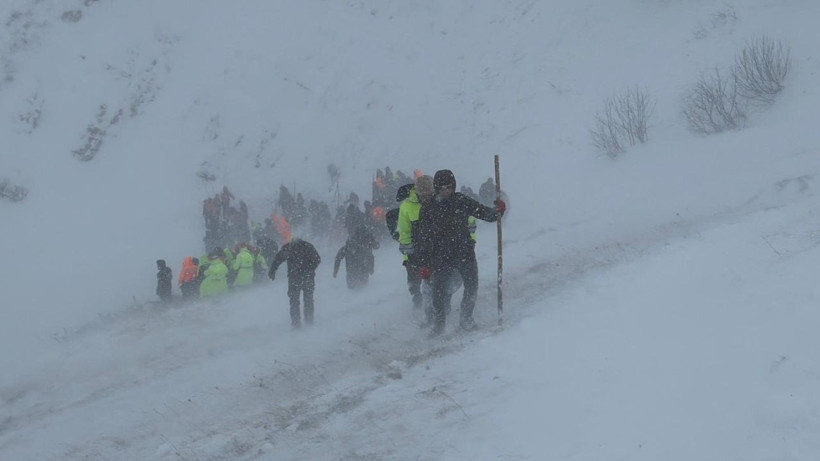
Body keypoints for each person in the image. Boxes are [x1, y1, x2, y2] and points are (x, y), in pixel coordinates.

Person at [416, 169, 506, 336]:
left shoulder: (461, 201)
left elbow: (483, 213)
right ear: (436, 188)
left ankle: (466, 318)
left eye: (449, 187)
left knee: (471, 286)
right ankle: (439, 324)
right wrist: (424, 263)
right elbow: (423, 239)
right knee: (439, 291)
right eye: (442, 188)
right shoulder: (429, 208)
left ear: (453, 186)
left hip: (464, 253)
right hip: (441, 256)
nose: (446, 191)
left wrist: (497, 211)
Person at [397, 175, 435, 311]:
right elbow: (405, 234)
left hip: (434, 249)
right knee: (414, 281)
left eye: (428, 195)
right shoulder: (406, 207)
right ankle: (417, 300)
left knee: (433, 281)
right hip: (416, 251)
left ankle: (434, 308)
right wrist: (407, 260)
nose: (425, 198)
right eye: (422, 195)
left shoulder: (438, 202)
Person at [268, 238, 321, 328]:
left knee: (294, 301)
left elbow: (278, 259)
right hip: (308, 277)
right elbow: (317, 259)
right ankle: (309, 320)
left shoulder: (289, 247)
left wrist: (272, 271)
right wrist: (310, 269)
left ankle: (296, 323)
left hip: (294, 277)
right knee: (308, 298)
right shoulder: (308, 246)